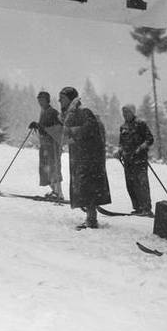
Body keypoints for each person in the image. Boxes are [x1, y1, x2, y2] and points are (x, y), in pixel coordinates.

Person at [59, 86, 111, 229]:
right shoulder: (70, 114)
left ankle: (91, 218)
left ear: (70, 99)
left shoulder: (83, 111)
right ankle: (89, 215)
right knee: (83, 186)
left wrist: (72, 131)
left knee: (88, 186)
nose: (59, 101)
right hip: (79, 155)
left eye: (62, 98)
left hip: (89, 156)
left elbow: (91, 127)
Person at [116, 104, 154, 215]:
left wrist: (142, 147)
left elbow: (150, 139)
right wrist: (120, 151)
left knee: (141, 184)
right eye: (123, 113)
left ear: (133, 112)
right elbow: (121, 143)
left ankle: (146, 208)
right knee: (130, 184)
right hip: (127, 160)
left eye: (127, 112)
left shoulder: (141, 124)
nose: (125, 115)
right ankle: (137, 207)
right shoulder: (123, 127)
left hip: (139, 160)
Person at [28, 91, 64, 200]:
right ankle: (55, 191)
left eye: (42, 100)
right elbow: (44, 128)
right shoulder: (43, 112)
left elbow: (58, 128)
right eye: (39, 100)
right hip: (45, 145)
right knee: (45, 169)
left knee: (54, 168)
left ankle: (58, 193)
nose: (40, 102)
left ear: (47, 100)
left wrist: (40, 127)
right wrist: (39, 127)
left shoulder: (53, 112)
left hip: (53, 145)